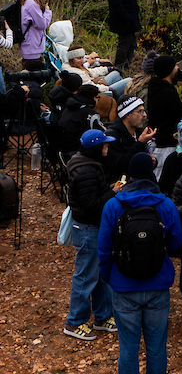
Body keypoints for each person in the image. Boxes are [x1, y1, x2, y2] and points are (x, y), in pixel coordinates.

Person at [98, 152, 182, 374]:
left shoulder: (113, 205)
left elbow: (104, 248)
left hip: (123, 284)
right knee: (156, 348)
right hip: (157, 284)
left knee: (128, 348)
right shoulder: (165, 204)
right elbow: (176, 242)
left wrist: (109, 276)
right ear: (150, 173)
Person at [63, 129, 121, 341]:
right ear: (96, 147)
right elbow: (92, 205)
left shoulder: (87, 166)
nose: (107, 147)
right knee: (85, 276)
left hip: (91, 227)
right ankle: (74, 322)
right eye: (104, 144)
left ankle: (103, 317)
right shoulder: (87, 170)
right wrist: (112, 192)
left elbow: (92, 196)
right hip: (88, 229)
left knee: (97, 275)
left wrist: (107, 188)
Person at [105, 0, 140, 72]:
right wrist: (127, 17)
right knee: (124, 45)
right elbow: (117, 3)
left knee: (131, 44)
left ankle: (125, 68)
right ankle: (119, 70)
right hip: (124, 21)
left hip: (129, 20)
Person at [15, 0, 52, 70]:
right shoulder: (31, 4)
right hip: (33, 47)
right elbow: (42, 24)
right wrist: (47, 12)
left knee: (26, 72)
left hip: (26, 44)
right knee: (33, 76)